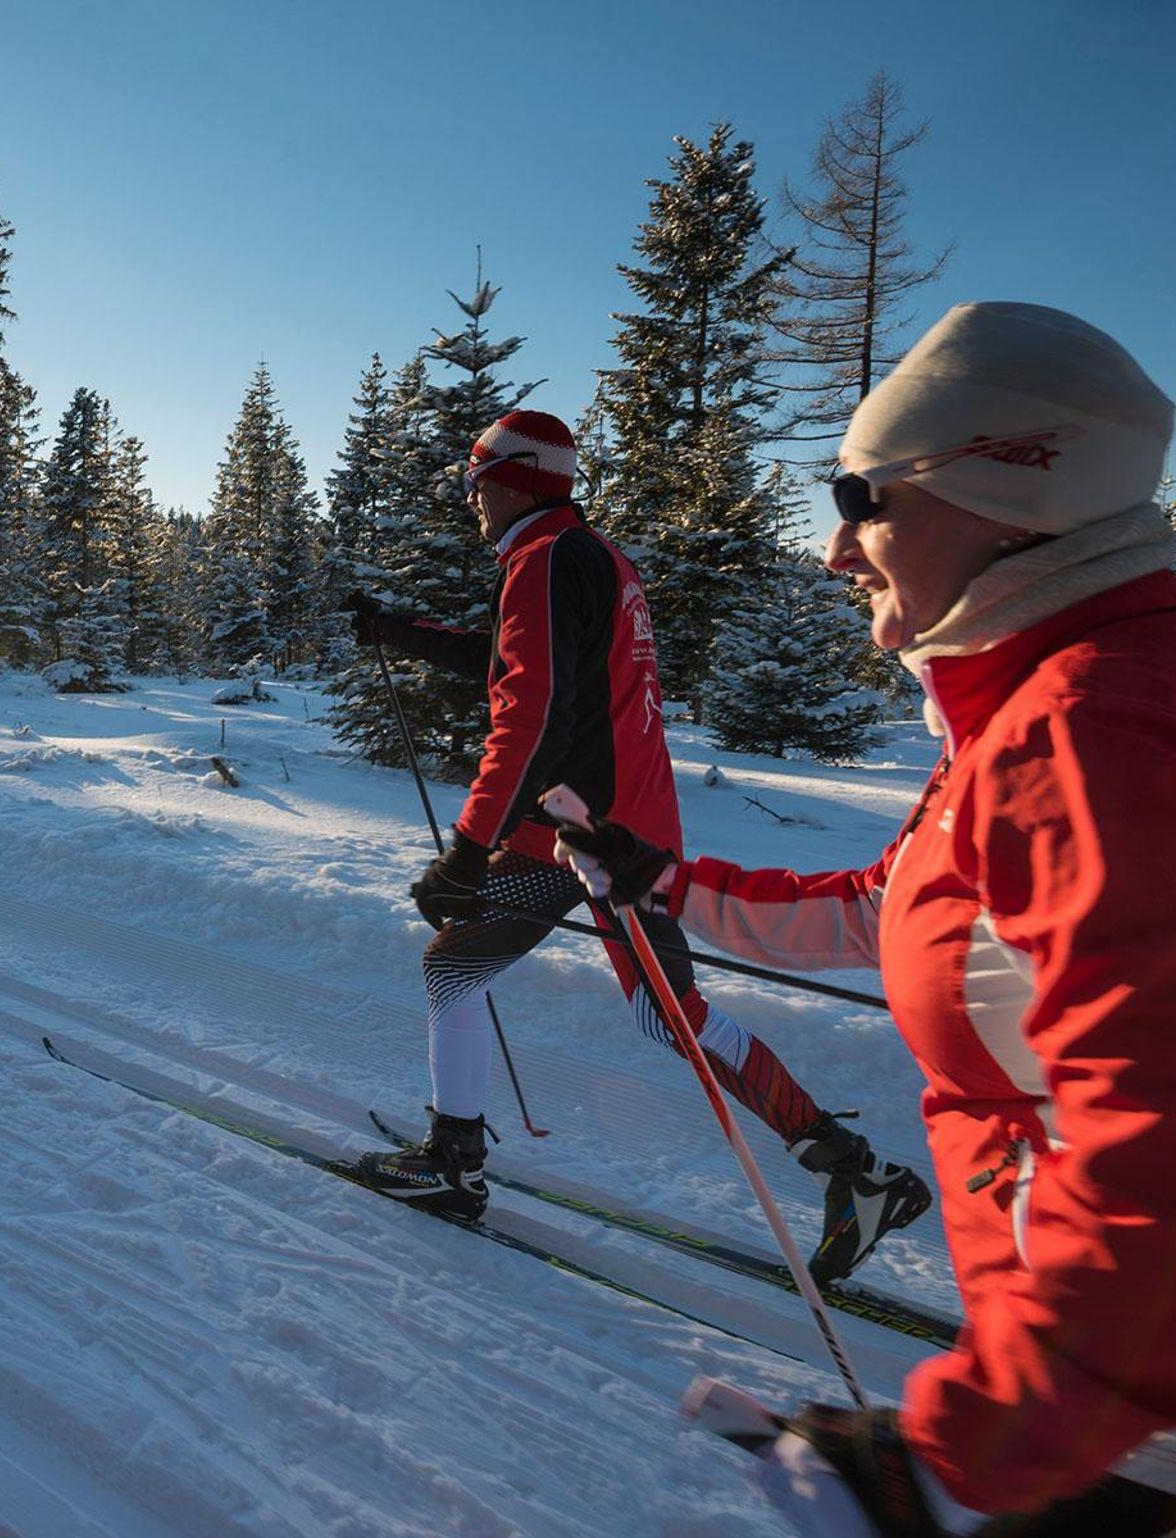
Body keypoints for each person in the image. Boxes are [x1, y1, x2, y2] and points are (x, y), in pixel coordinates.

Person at [550, 302, 1176, 1534]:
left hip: (1111, 1428)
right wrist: (661, 881)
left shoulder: (1088, 726)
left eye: (860, 498)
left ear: (1010, 487)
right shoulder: (1028, 710)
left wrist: (954, 1460)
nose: (836, 550)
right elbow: (887, 912)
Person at [346, 407, 930, 1286]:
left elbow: (531, 711)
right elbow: (520, 667)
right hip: (599, 826)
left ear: (511, 480)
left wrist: (467, 848)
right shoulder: (591, 556)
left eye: (475, 482)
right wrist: (401, 634)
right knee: (464, 969)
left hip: (594, 838)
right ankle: (454, 1156)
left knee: (655, 1011)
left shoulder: (545, 558)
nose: (471, 500)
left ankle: (853, 1171)